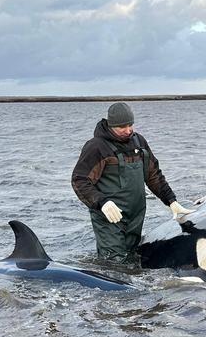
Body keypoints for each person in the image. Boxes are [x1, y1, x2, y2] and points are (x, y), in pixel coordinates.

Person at [71, 102, 192, 262]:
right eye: (122, 126)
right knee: (114, 264)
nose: (128, 130)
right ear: (111, 125)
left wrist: (171, 200)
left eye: (130, 125)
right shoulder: (96, 147)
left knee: (133, 260)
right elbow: (79, 180)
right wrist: (102, 202)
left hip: (136, 215)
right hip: (110, 218)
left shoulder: (139, 142)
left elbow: (153, 175)